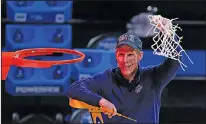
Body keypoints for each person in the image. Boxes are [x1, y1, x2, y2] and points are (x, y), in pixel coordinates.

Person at [66, 31, 181, 123]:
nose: (125, 60)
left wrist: (169, 35)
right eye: (121, 54)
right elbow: (74, 89)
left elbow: (175, 62)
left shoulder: (152, 77)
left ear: (140, 56)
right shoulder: (106, 78)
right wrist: (101, 101)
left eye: (130, 54)